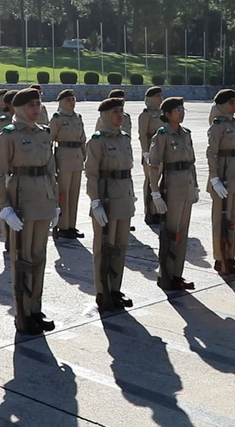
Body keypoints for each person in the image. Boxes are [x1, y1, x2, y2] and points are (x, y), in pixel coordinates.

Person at [0, 88, 60, 334]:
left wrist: (55, 204)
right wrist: (5, 207)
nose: (37, 109)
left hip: (42, 201)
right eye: (31, 105)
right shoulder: (8, 135)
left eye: (38, 104)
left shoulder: (44, 134)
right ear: (20, 108)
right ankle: (22, 312)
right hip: (21, 204)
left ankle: (35, 308)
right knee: (22, 260)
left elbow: (51, 170)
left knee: (39, 258)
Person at [86, 97, 136, 312]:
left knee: (120, 246)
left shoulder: (125, 139)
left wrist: (132, 195)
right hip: (106, 201)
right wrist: (95, 201)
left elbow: (128, 171)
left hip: (123, 198)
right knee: (103, 248)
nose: (120, 115)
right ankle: (102, 291)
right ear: (106, 115)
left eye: (122, 111)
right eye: (115, 111)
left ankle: (116, 289)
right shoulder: (97, 141)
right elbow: (91, 174)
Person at [147, 96, 199, 291]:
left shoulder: (186, 134)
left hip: (185, 188)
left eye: (183, 109)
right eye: (177, 110)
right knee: (170, 234)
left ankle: (178, 274)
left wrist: (195, 185)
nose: (182, 112)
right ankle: (166, 276)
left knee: (182, 234)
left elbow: (191, 162)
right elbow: (153, 165)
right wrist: (155, 193)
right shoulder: (161, 135)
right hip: (171, 189)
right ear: (167, 114)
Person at [207, 89, 235, 276]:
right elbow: (212, 153)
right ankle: (220, 258)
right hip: (222, 178)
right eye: (231, 102)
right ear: (223, 105)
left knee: (232, 220)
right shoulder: (218, 125)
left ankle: (230, 256)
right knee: (220, 221)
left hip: (234, 177)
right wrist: (214, 178)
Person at [50, 89, 87, 239]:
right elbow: (50, 141)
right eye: (68, 100)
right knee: (63, 194)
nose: (71, 103)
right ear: (61, 102)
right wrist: (51, 163)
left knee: (74, 193)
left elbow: (83, 139)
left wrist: (84, 155)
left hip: (77, 158)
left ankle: (72, 225)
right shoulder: (57, 118)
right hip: (63, 158)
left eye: (73, 100)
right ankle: (63, 226)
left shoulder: (78, 118)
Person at [138, 86, 165, 225]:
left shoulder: (162, 113)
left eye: (161, 95)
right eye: (158, 96)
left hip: (162, 150)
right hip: (150, 149)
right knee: (150, 181)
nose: (161, 98)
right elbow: (142, 135)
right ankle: (150, 212)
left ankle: (158, 210)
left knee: (160, 182)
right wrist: (145, 152)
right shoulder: (146, 114)